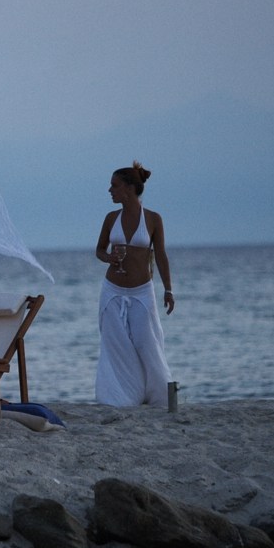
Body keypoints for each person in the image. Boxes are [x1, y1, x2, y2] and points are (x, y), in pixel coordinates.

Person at [94, 160, 174, 406]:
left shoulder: (152, 219)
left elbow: (160, 255)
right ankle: (122, 397)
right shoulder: (110, 218)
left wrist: (168, 289)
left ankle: (159, 396)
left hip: (142, 291)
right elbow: (99, 250)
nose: (110, 190)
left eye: (114, 186)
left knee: (146, 341)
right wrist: (109, 258)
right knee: (115, 344)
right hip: (112, 290)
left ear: (128, 188)